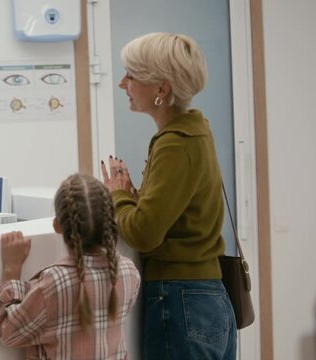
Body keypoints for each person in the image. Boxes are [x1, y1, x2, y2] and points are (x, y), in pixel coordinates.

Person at [100, 32, 237, 359]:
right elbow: (178, 214)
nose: (122, 84)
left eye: (131, 75)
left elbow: (144, 234)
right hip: (207, 298)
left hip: (180, 299)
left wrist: (118, 196)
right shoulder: (196, 129)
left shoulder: (175, 144)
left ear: (161, 89)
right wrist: (136, 198)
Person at [0, 173, 141, 359]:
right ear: (108, 223)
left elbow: (8, 332)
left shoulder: (54, 283)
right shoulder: (129, 272)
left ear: (57, 225)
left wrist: (11, 270)